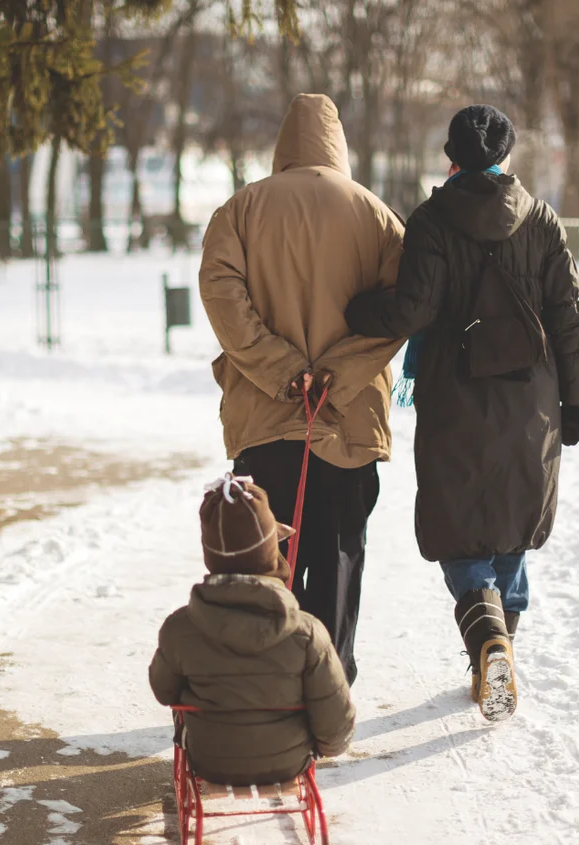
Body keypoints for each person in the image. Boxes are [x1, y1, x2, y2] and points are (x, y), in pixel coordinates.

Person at [345, 105, 579, 721]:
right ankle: (500, 644)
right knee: (512, 521)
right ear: (506, 160)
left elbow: (409, 313)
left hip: (452, 400)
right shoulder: (542, 221)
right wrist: (578, 399)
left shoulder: (430, 222)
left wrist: (355, 312)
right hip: (530, 403)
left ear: (451, 161)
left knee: (460, 528)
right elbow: (569, 318)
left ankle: (485, 639)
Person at [198, 93, 406, 685]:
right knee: (338, 555)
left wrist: (281, 369)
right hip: (348, 418)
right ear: (338, 144)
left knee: (265, 557)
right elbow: (402, 312)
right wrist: (336, 374)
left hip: (265, 419)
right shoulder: (377, 216)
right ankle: (329, 684)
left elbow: (222, 295)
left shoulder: (239, 211)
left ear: (283, 144)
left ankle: (264, 686)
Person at [148, 474, 356, 785]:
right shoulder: (307, 633)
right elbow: (335, 725)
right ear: (272, 550)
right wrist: (325, 747)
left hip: (210, 761)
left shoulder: (180, 628)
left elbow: (164, 691)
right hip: (289, 761)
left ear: (210, 555)